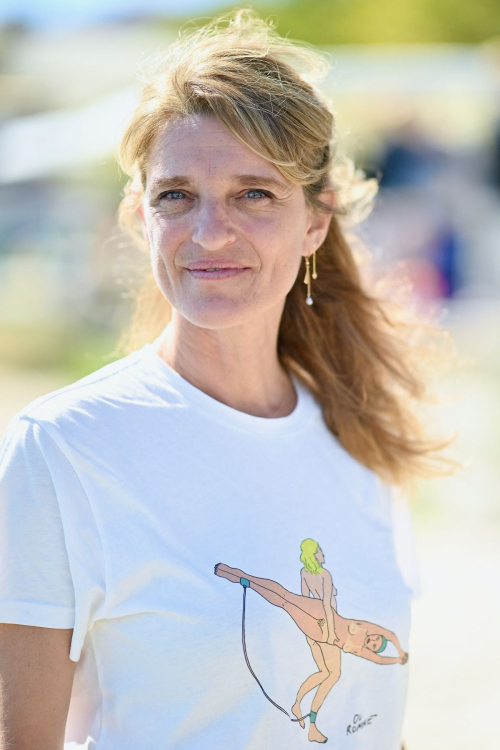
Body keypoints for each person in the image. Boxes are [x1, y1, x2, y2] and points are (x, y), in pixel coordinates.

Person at [0, 9, 449, 749]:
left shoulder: (361, 439)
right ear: (140, 218)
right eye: (176, 194)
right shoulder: (64, 451)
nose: (210, 232)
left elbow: (370, 720)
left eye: (255, 193)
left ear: (315, 222)